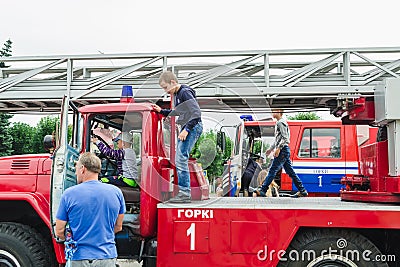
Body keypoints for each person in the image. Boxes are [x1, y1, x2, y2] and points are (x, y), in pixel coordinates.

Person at [55, 152, 125, 266]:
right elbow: (118, 227)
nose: (76, 172)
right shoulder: (116, 193)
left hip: (78, 257)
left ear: (83, 169)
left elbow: (59, 231)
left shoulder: (69, 194)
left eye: (76, 168)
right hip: (106, 256)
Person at [152, 71, 203, 203]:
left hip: (192, 126)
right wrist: (161, 111)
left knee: (180, 158)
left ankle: (185, 193)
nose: (165, 91)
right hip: (190, 126)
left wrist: (186, 129)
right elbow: (177, 112)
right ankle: (184, 192)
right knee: (180, 158)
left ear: (173, 82)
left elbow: (196, 113)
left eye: (165, 87)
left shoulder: (184, 92)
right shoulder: (178, 95)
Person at [254, 109, 308, 198]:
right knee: (290, 172)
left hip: (282, 150)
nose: (272, 113)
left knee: (272, 170)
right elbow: (278, 139)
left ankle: (263, 190)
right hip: (284, 150)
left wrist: (278, 148)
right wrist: (271, 149)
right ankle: (302, 190)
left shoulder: (280, 123)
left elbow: (285, 138)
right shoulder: (280, 122)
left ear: (279, 111)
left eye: (273, 111)